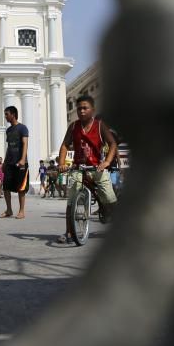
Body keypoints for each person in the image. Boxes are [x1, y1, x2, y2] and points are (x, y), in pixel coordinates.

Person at [56, 94, 118, 244]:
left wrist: (107, 162)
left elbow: (112, 144)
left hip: (97, 167)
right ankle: (69, 232)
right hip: (78, 168)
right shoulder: (73, 127)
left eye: (85, 108)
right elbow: (65, 145)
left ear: (92, 109)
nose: (81, 111)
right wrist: (62, 163)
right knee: (71, 201)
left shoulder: (99, 125)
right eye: (79, 109)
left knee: (109, 199)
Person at [0, 105, 29, 220]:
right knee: (6, 187)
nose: (5, 116)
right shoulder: (9, 130)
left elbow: (25, 143)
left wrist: (22, 159)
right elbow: (9, 147)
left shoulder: (22, 128)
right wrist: (5, 162)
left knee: (21, 188)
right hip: (10, 163)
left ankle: (21, 211)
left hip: (21, 163)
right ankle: (9, 210)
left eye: (7, 114)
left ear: (13, 114)